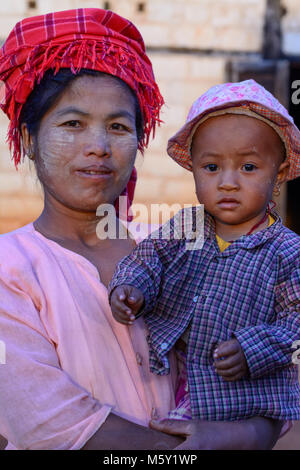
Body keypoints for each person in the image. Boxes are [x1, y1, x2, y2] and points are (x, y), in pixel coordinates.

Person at [0, 8, 284, 449]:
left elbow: (267, 373)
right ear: (29, 140)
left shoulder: (183, 243)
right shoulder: (9, 270)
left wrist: (242, 430)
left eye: (118, 126)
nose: (98, 147)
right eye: (72, 124)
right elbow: (48, 422)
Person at [109, 80, 300, 430]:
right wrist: (131, 287)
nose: (227, 182)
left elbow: (297, 323)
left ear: (280, 174)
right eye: (211, 168)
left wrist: (253, 349)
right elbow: (149, 258)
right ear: (194, 169)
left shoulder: (286, 251)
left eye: (248, 168)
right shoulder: (186, 226)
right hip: (180, 382)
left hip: (248, 397)